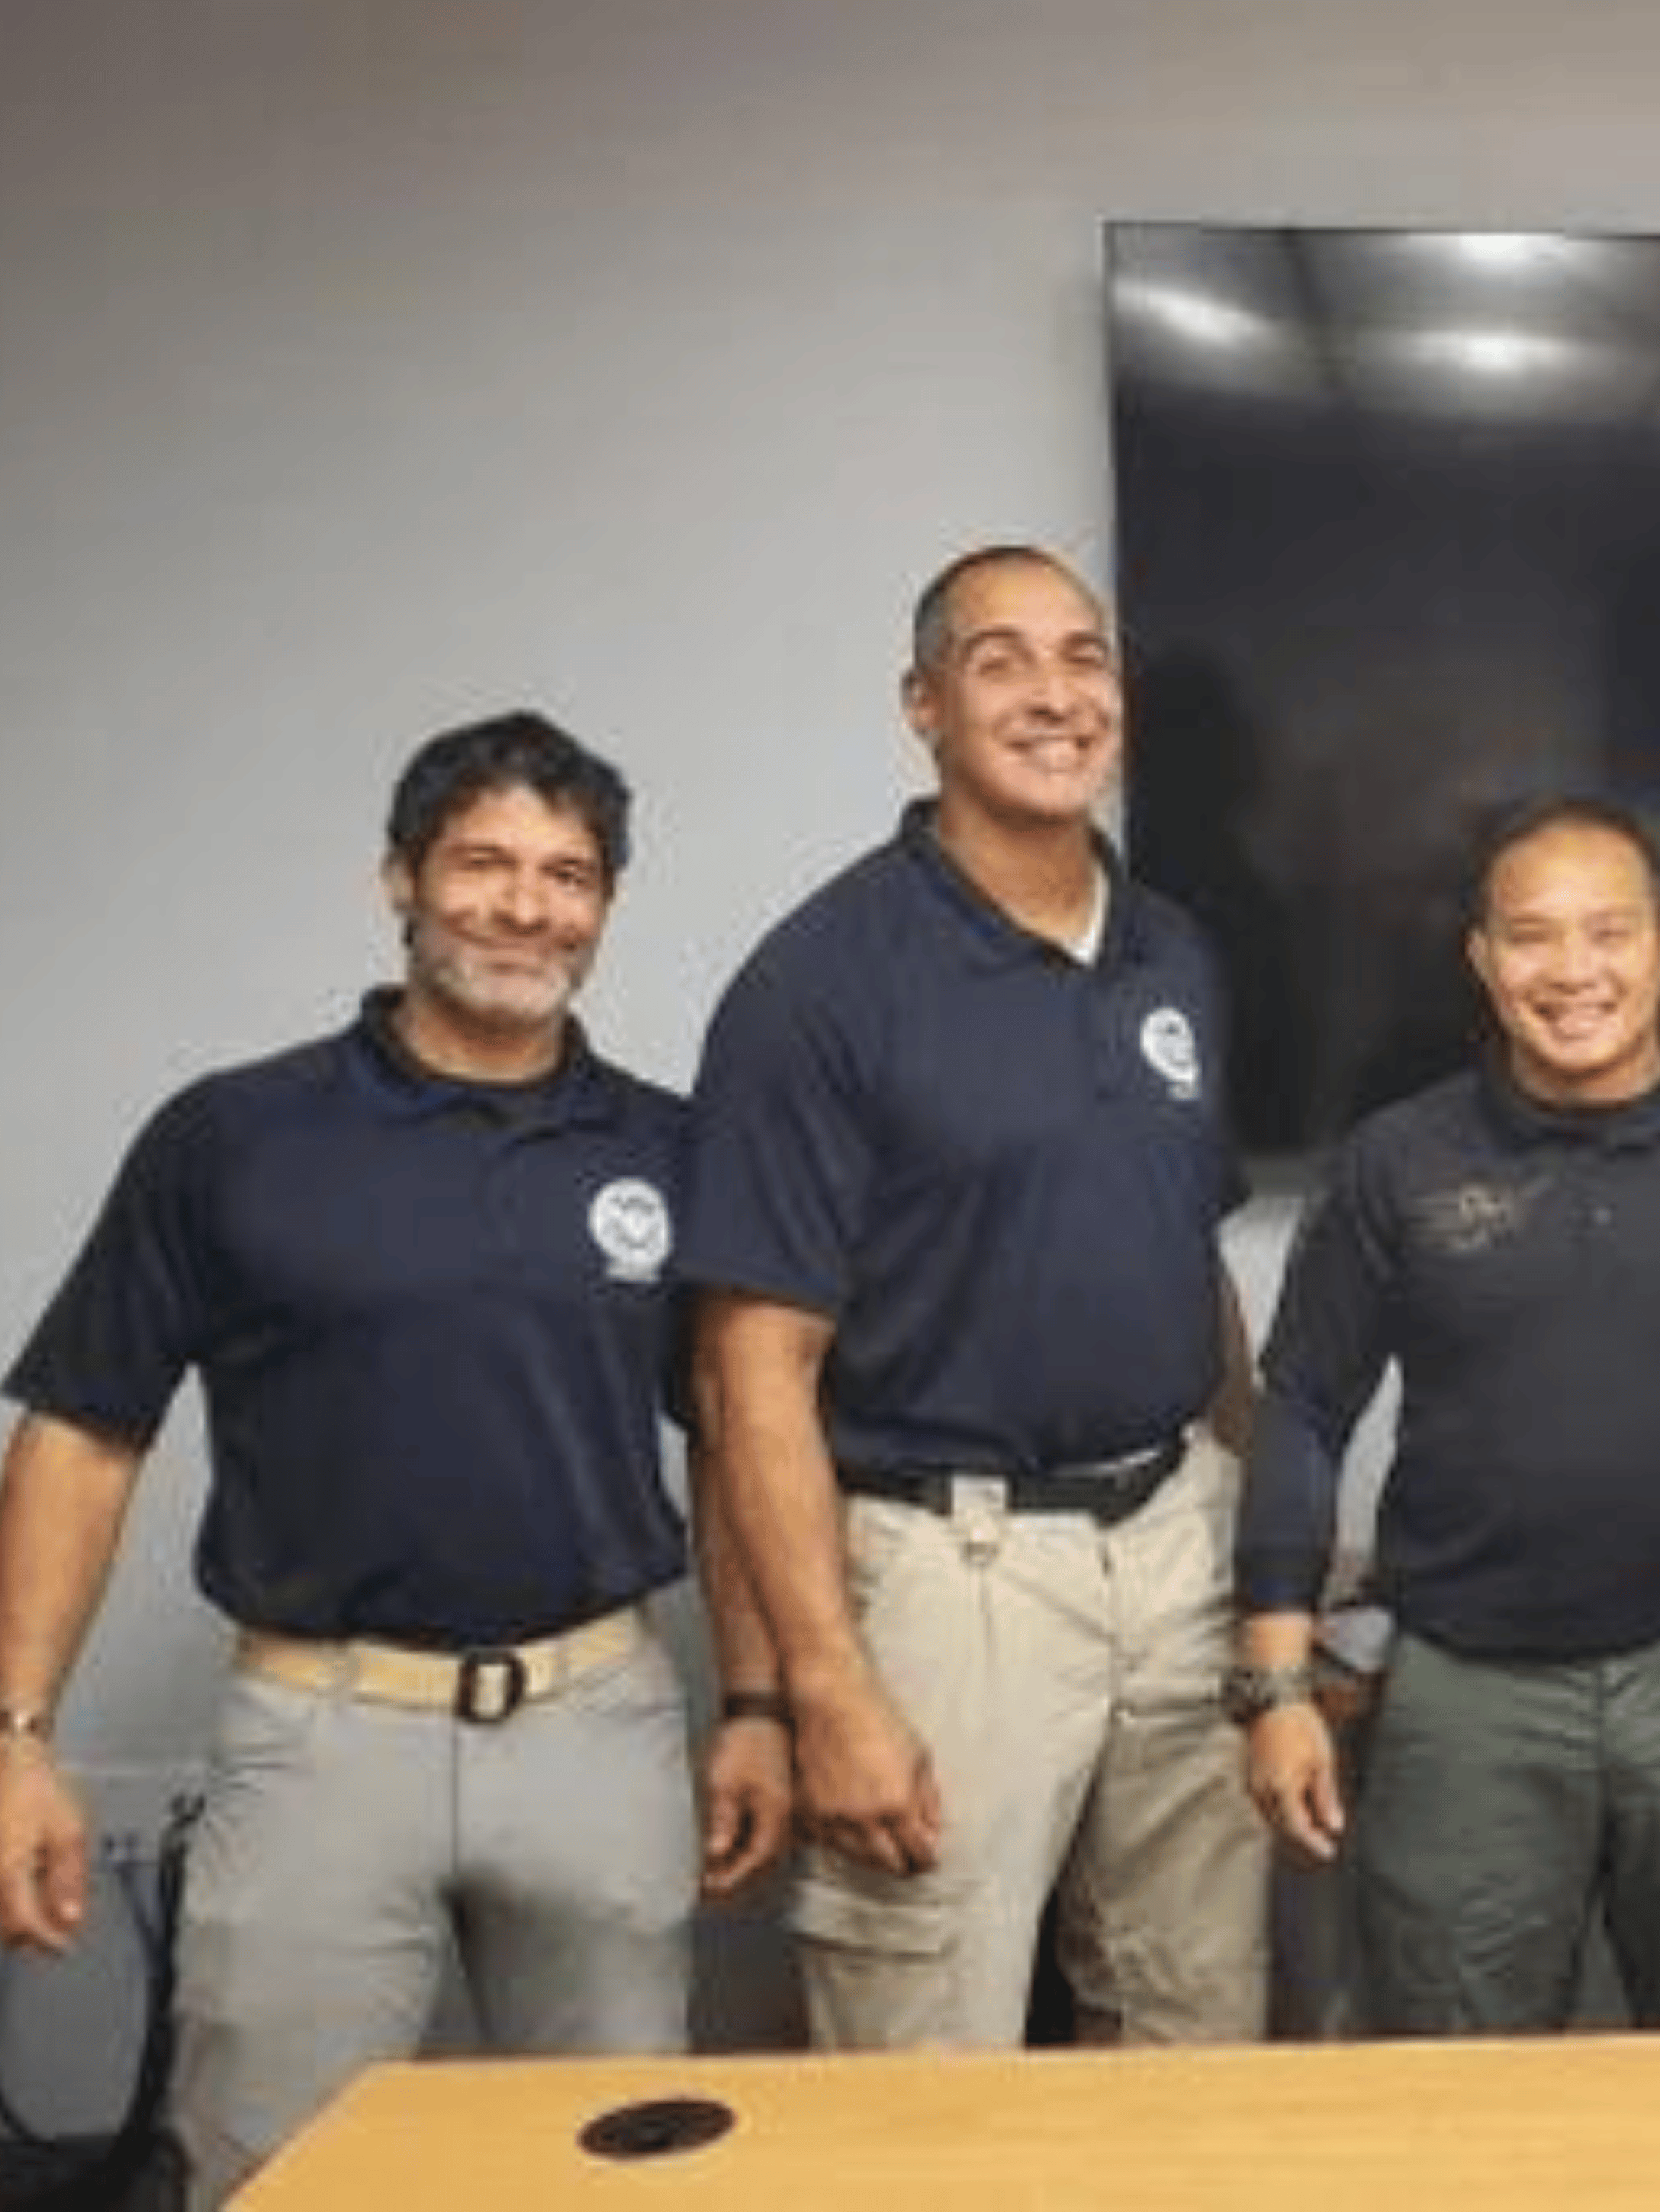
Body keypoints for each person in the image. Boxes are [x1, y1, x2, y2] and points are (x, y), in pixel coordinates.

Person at [0, 712, 789, 2207]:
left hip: (600, 1727)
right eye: (482, 863)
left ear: (605, 903)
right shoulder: (234, 1137)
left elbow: (735, 1440)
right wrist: (10, 1739)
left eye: (567, 875)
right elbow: (82, 1434)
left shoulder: (671, 1149)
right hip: (321, 1734)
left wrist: (759, 1701)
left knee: (622, 2173)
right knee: (277, 2173)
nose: (524, 906)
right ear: (399, 878)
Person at [682, 544, 1268, 2050]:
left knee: (1200, 2025)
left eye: (1085, 657)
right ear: (923, 706)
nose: (1055, 694)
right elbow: (751, 1373)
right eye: (1002, 662)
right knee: (927, 2058)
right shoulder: (820, 982)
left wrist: (1257, 1526)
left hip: (1177, 1543)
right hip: (955, 1572)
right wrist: (823, 1687)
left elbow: (1187, 1261)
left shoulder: (1174, 951)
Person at [1235, 797, 1660, 2036]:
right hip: (1467, 1691)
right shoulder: (1397, 1161)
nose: (1573, 972)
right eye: (1532, 937)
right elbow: (1302, 1413)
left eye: (1609, 933)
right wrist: (1277, 1684)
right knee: (1451, 2072)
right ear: (1482, 959)